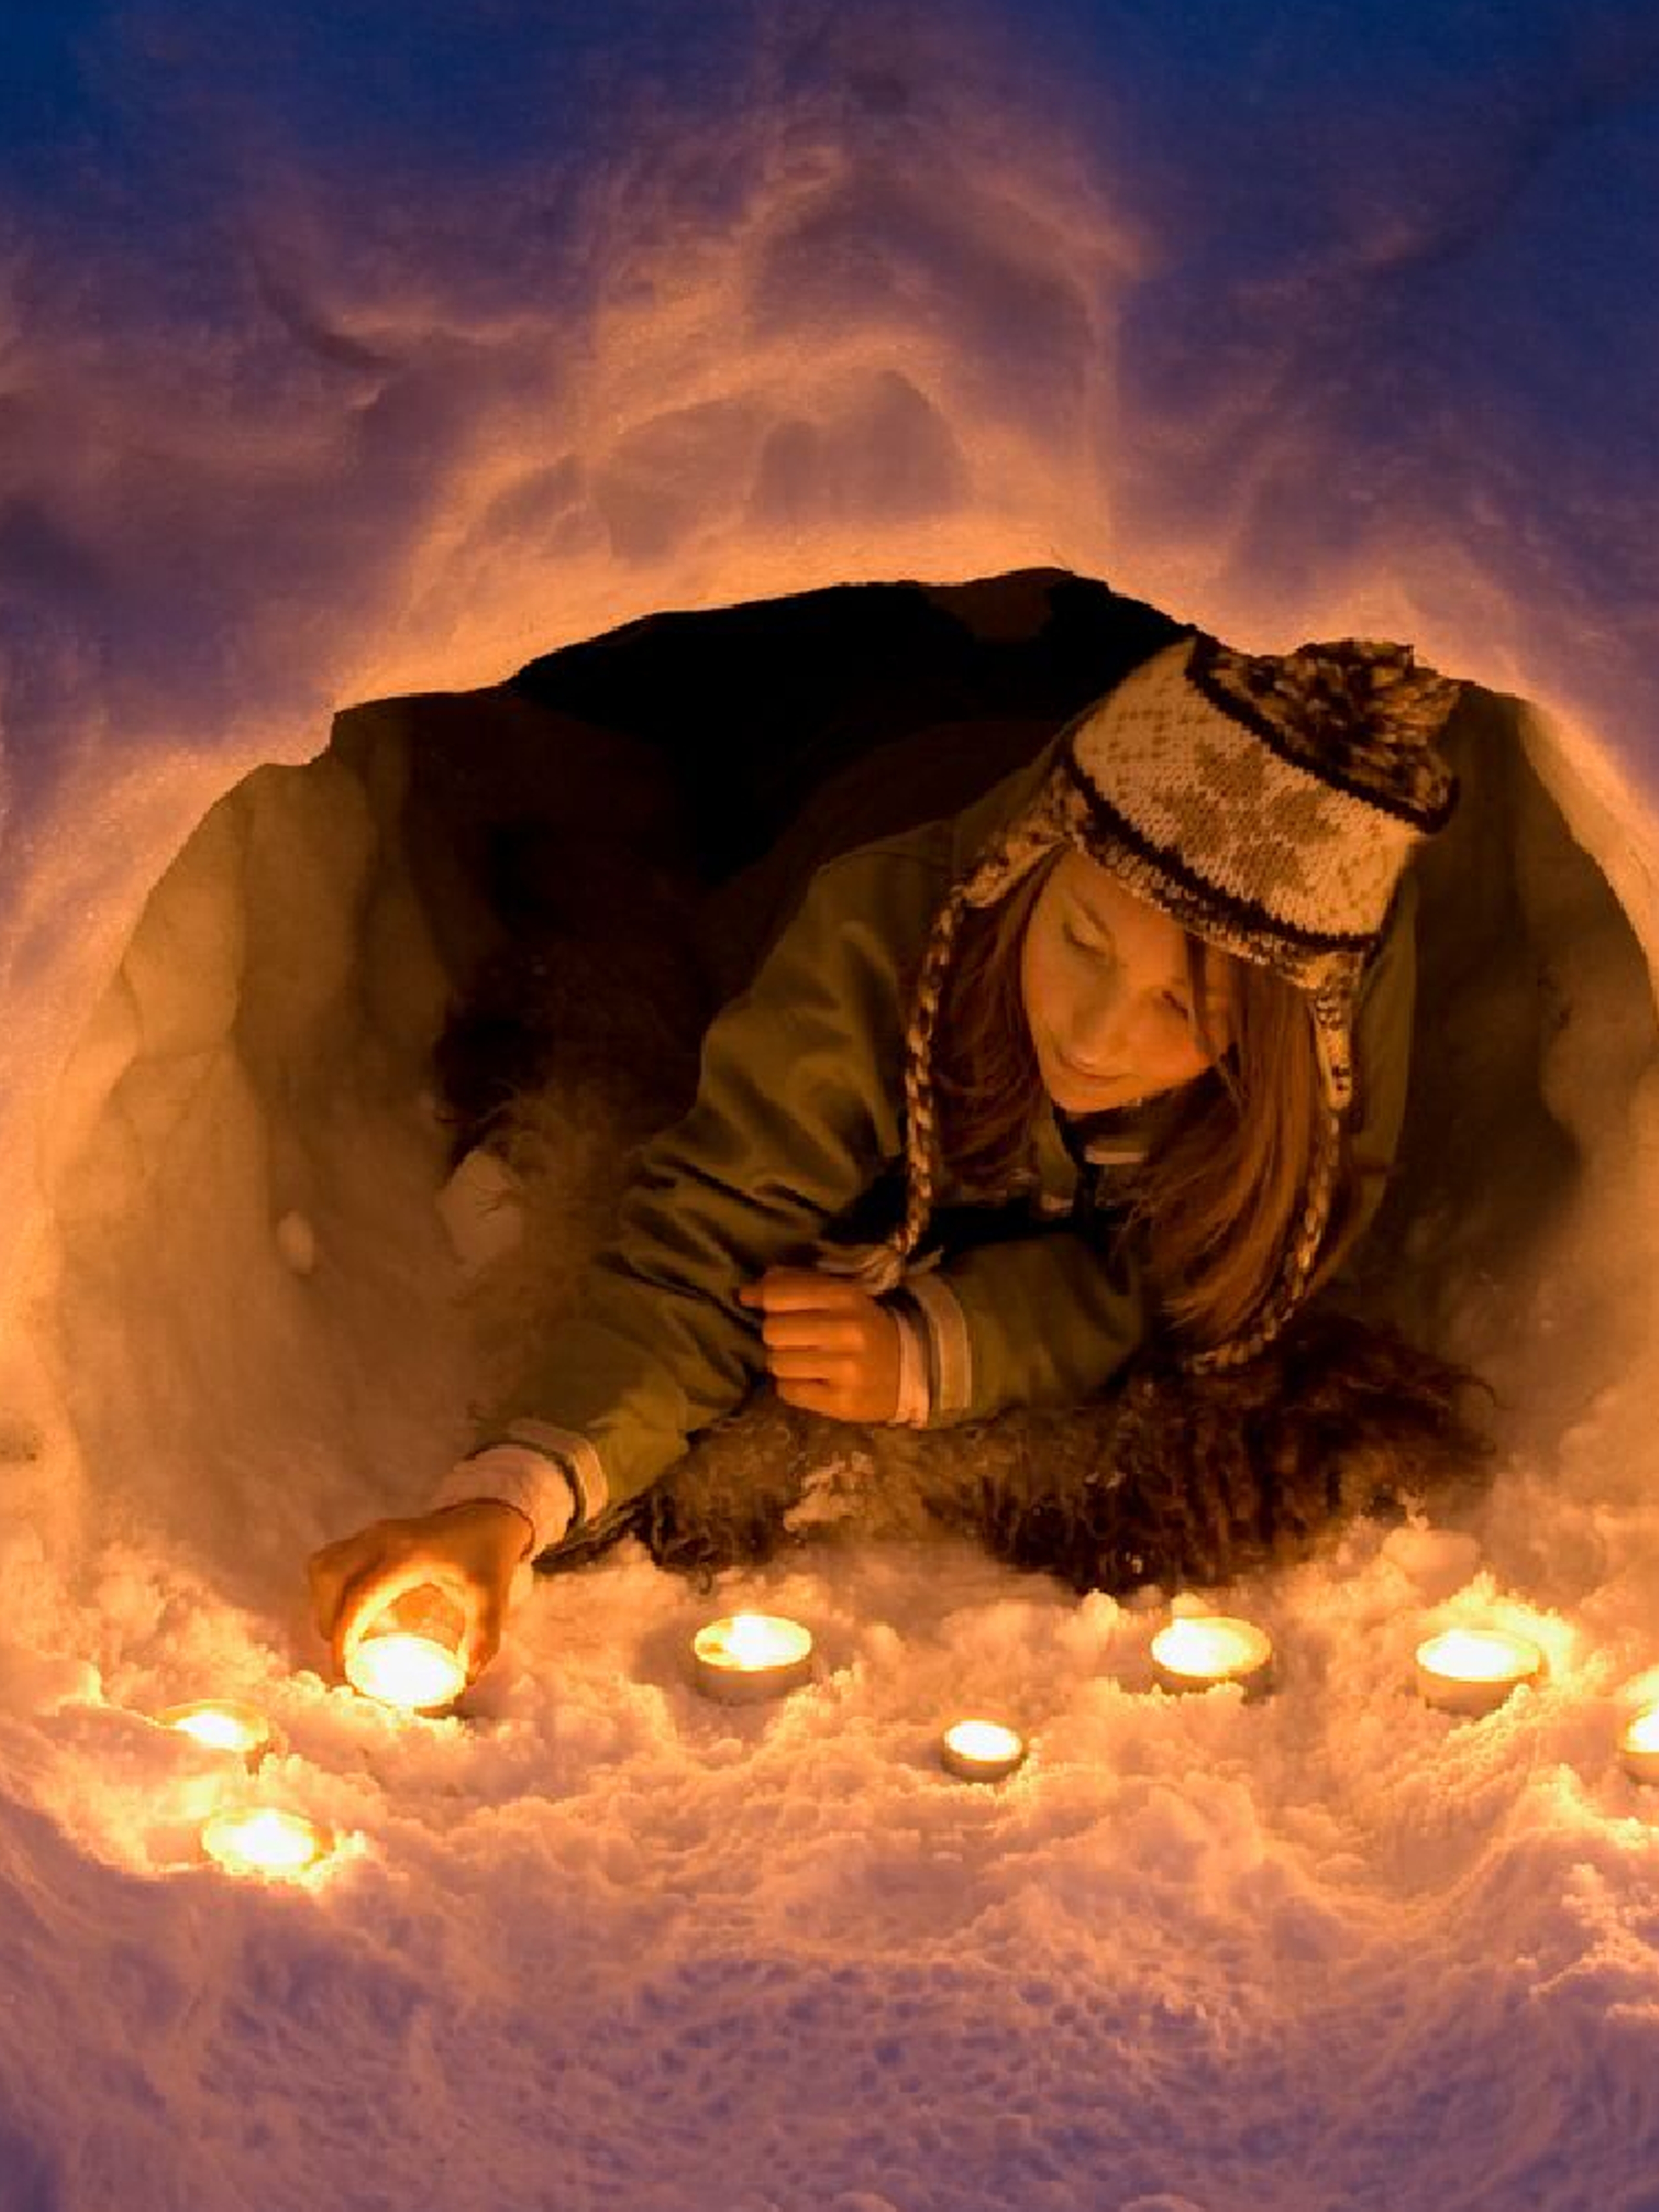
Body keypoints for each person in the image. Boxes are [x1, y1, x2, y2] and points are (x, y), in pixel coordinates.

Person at [310, 630, 1468, 1685]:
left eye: (1183, 1007)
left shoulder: (1315, 1093)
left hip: (1039, 716)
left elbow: (1202, 1285)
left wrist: (945, 1346)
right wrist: (508, 1503)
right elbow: (701, 1245)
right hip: (847, 771)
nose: (1096, 1032)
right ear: (1028, 868)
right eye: (1079, 941)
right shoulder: (874, 938)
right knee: (770, 704)